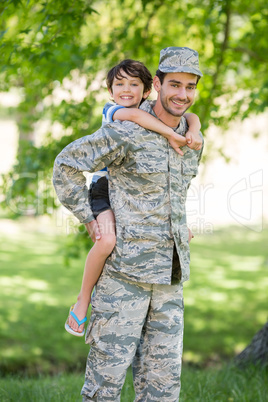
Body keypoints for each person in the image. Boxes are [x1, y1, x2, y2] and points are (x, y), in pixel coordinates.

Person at [53, 46, 204, 401]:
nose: (182, 94)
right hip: (124, 280)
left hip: (170, 281)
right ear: (158, 84)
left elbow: (175, 191)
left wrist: (179, 223)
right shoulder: (125, 128)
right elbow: (66, 165)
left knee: (163, 390)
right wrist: (89, 220)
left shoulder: (193, 138)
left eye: (190, 87)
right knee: (104, 390)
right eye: (175, 85)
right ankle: (82, 300)